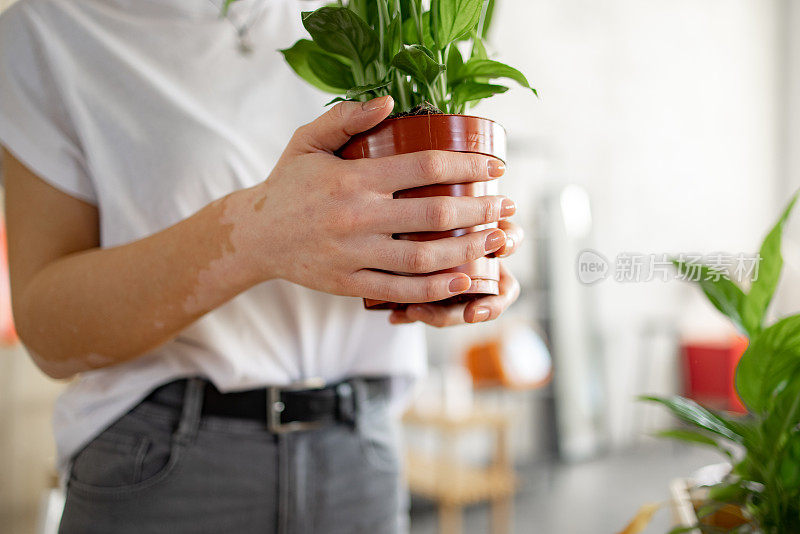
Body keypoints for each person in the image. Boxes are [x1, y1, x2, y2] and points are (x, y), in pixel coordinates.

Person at [0, 0, 523, 532]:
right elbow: (47, 329)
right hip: (166, 467)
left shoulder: (358, 11)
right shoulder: (49, 30)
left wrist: (448, 262)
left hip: (359, 451)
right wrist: (254, 233)